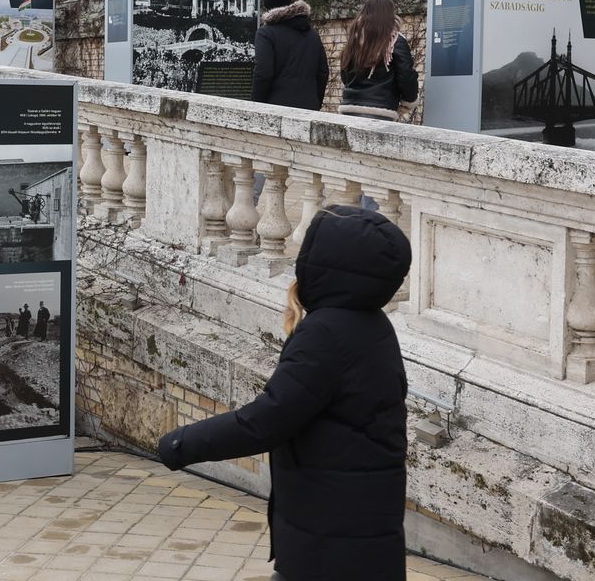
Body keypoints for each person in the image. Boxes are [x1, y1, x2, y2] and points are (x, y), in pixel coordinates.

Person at [157, 206, 411, 581]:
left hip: (332, 539)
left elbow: (266, 421)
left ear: (325, 265)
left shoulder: (326, 335)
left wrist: (180, 444)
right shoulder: (371, 325)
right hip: (357, 531)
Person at [338, 0, 419, 123]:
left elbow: (344, 74)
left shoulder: (353, 41)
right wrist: (409, 102)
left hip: (349, 109)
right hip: (381, 111)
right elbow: (406, 75)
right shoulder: (395, 40)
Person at [251, 0, 329, 112]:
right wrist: (315, 102)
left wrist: (256, 107)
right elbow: (323, 73)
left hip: (276, 109)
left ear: (268, 6)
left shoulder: (266, 33)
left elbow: (263, 73)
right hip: (309, 108)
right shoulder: (313, 35)